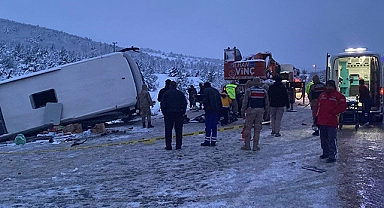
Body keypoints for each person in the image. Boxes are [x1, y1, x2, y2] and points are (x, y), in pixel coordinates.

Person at [313, 80, 347, 163]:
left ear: (333, 86)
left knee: (331, 139)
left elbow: (343, 106)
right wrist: (315, 118)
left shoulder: (338, 96)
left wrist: (334, 113)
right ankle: (326, 152)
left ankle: (332, 155)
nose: (328, 88)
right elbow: (317, 107)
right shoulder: (322, 95)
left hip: (331, 121)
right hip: (322, 120)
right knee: (323, 139)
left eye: (330, 86)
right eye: (327, 86)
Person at [241, 77, 269, 151]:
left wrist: (243, 111)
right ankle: (255, 146)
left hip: (251, 110)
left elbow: (245, 102)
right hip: (260, 111)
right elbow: (266, 103)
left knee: (248, 128)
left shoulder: (249, 90)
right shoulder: (264, 91)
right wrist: (266, 113)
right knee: (257, 129)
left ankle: (247, 145)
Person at [160, 81, 187, 150]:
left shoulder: (166, 94)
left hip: (168, 114)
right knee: (179, 130)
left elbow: (163, 104)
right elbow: (184, 103)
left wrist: (165, 113)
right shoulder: (180, 94)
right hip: (178, 114)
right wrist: (182, 112)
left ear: (170, 86)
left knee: (168, 131)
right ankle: (178, 145)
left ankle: (168, 146)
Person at [201, 82, 222, 147]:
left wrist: (204, 107)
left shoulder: (206, 91)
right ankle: (213, 141)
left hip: (209, 110)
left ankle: (207, 141)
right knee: (214, 126)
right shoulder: (216, 90)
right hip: (216, 110)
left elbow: (205, 100)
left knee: (208, 126)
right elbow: (219, 100)